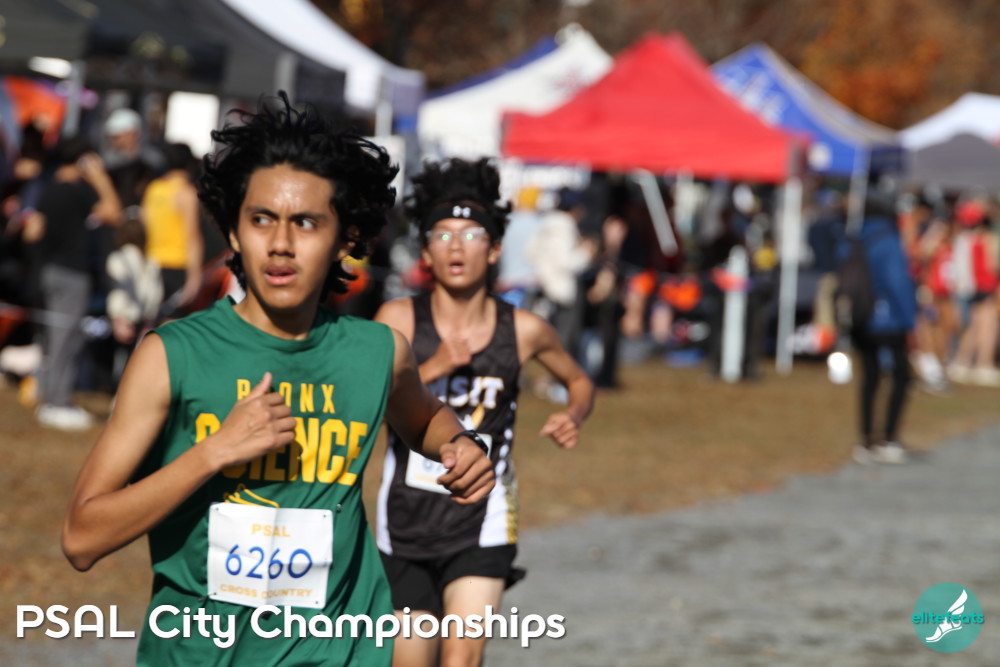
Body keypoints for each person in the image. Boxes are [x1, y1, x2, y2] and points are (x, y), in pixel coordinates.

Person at [62, 95, 495, 666]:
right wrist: (214, 452)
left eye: (306, 223)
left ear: (346, 240)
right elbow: (82, 538)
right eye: (261, 219)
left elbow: (424, 418)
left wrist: (459, 443)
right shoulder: (172, 355)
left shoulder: (377, 352)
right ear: (234, 233)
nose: (281, 244)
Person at [373, 157, 595, 667]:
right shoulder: (397, 319)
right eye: (442, 234)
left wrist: (574, 414)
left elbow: (579, 380)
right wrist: (433, 366)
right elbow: (367, 399)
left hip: (485, 517)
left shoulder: (524, 329)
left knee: (461, 658)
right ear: (425, 250)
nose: (456, 246)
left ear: (494, 249)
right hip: (404, 519)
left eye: (471, 235)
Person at [27, 136, 122, 430]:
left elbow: (34, 231)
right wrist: (100, 178)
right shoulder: (76, 191)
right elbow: (114, 212)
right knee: (66, 338)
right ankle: (56, 403)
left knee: (55, 336)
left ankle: (48, 394)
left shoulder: (48, 188)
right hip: (72, 273)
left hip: (51, 271)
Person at [843, 186, 917, 465]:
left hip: (860, 316)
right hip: (888, 318)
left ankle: (866, 440)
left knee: (870, 378)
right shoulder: (889, 240)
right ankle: (888, 438)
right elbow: (898, 283)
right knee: (901, 377)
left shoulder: (855, 238)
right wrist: (910, 320)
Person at [140, 142, 204, 316]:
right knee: (174, 323)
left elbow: (143, 227)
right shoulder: (186, 193)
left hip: (152, 265)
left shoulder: (153, 189)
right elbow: (193, 237)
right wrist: (194, 278)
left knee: (153, 320)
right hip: (177, 266)